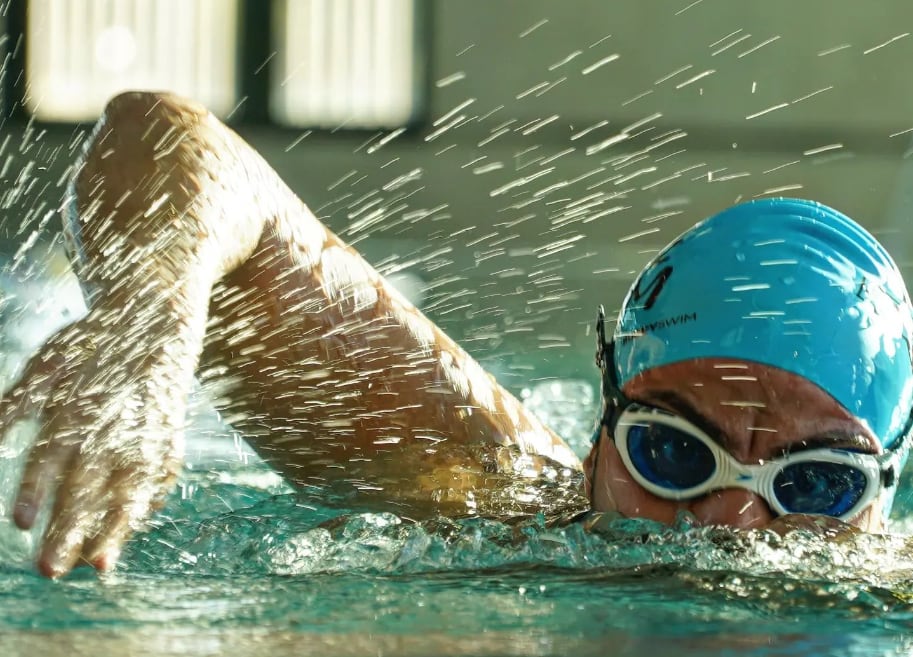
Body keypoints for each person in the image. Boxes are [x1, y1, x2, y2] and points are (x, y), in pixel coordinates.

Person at [1, 92, 910, 579]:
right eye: (671, 455)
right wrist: (148, 333)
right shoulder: (482, 489)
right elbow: (161, 140)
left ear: (883, 501)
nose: (729, 524)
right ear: (601, 433)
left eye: (815, 485)